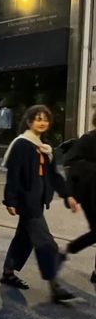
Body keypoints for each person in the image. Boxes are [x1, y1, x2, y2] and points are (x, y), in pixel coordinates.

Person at [1, 105, 80, 303]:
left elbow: (55, 176)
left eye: (45, 119)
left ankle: (8, 273)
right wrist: (10, 200)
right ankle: (55, 286)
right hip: (27, 203)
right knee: (47, 244)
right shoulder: (22, 144)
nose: (42, 122)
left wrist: (68, 195)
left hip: (38, 201)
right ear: (29, 122)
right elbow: (14, 174)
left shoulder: (46, 147)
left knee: (24, 238)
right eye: (38, 119)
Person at [64, 110, 96, 282]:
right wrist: (70, 194)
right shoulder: (88, 139)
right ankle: (69, 249)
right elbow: (70, 165)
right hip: (90, 193)